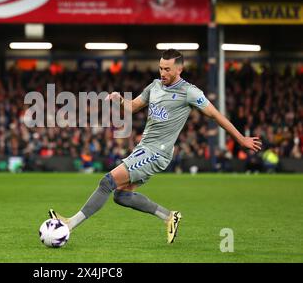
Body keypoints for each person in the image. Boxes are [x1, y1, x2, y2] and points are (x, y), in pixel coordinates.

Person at [49, 49, 262, 244]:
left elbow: (215, 115)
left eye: (167, 69)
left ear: (180, 69)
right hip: (144, 148)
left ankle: (70, 223)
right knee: (120, 196)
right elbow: (133, 107)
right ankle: (169, 217)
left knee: (107, 181)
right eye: (161, 68)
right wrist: (120, 99)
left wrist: (241, 139)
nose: (163, 72)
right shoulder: (155, 86)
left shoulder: (190, 92)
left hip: (157, 153)